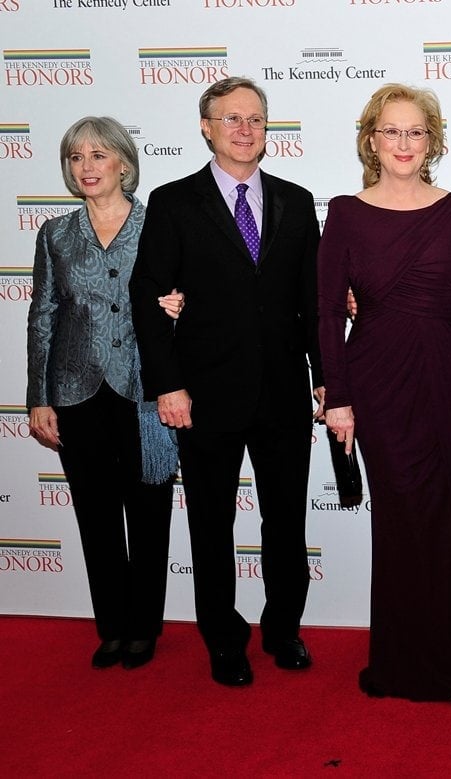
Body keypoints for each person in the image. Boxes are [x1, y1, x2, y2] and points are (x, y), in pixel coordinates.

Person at [130, 76, 325, 687]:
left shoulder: (296, 201)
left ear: (268, 130)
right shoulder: (173, 201)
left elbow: (312, 303)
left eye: (256, 119)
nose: (245, 129)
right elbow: (148, 297)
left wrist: (327, 378)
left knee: (286, 520)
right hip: (203, 394)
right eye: (231, 118)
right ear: (206, 126)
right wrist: (168, 385)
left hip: (283, 392)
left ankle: (283, 628)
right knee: (211, 524)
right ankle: (222, 637)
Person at [320, 84, 451, 709]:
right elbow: (324, 316)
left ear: (432, 141)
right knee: (397, 522)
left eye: (415, 132)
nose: (403, 143)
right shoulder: (344, 211)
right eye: (391, 132)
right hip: (377, 381)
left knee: (447, 520)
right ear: (371, 139)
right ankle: (395, 665)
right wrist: (336, 395)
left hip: (447, 379)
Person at [26, 116, 181, 672]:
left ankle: (144, 627)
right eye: (75, 158)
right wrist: (37, 397)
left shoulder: (159, 225)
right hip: (75, 390)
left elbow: (190, 298)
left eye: (97, 155)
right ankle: (111, 626)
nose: (86, 167)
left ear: (123, 163)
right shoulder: (55, 234)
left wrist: (181, 308)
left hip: (145, 390)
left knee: (148, 513)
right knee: (94, 514)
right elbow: (41, 315)